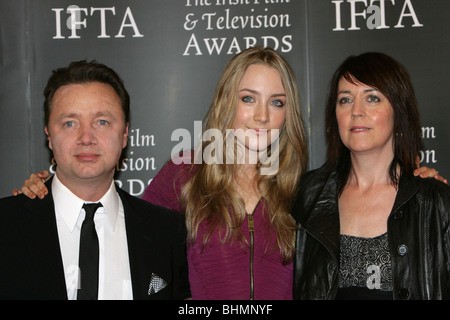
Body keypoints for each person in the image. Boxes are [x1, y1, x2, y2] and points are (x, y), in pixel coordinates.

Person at [14, 48, 445, 300]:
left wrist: (415, 184)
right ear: (227, 103)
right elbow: (117, 226)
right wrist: (52, 190)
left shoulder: (306, 189)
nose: (260, 115)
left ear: (287, 115)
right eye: (248, 98)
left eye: (276, 103)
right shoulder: (185, 173)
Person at [0, 60, 190, 300]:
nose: (86, 138)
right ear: (49, 135)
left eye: (102, 122)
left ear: (124, 134)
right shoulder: (7, 225)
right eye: (70, 123)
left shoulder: (169, 233)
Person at [292, 52, 450, 300]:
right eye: (345, 100)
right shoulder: (307, 196)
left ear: (399, 113)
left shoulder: (435, 203)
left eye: (372, 98)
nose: (356, 111)